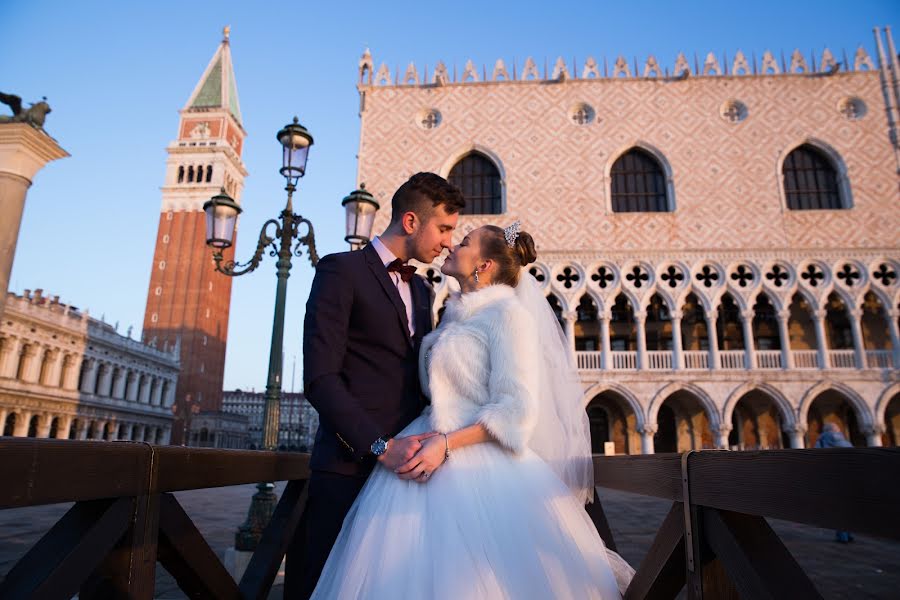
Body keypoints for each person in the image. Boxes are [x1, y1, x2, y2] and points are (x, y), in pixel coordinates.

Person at [309, 222, 634, 599]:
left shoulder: (508, 316)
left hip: (479, 465)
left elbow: (516, 410)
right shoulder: (453, 314)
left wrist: (445, 443)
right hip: (424, 454)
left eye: (463, 242)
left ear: (484, 265)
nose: (451, 245)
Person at [288, 172, 465, 599]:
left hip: (409, 476)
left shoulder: (423, 289)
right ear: (410, 222)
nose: (447, 241)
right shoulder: (340, 270)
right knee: (328, 584)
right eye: (443, 228)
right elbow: (320, 378)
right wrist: (380, 447)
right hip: (348, 466)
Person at [814, 421, 855, 543]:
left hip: (831, 479)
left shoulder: (821, 440)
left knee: (837, 508)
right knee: (847, 507)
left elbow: (816, 458)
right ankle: (848, 533)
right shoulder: (845, 441)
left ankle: (842, 535)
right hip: (847, 479)